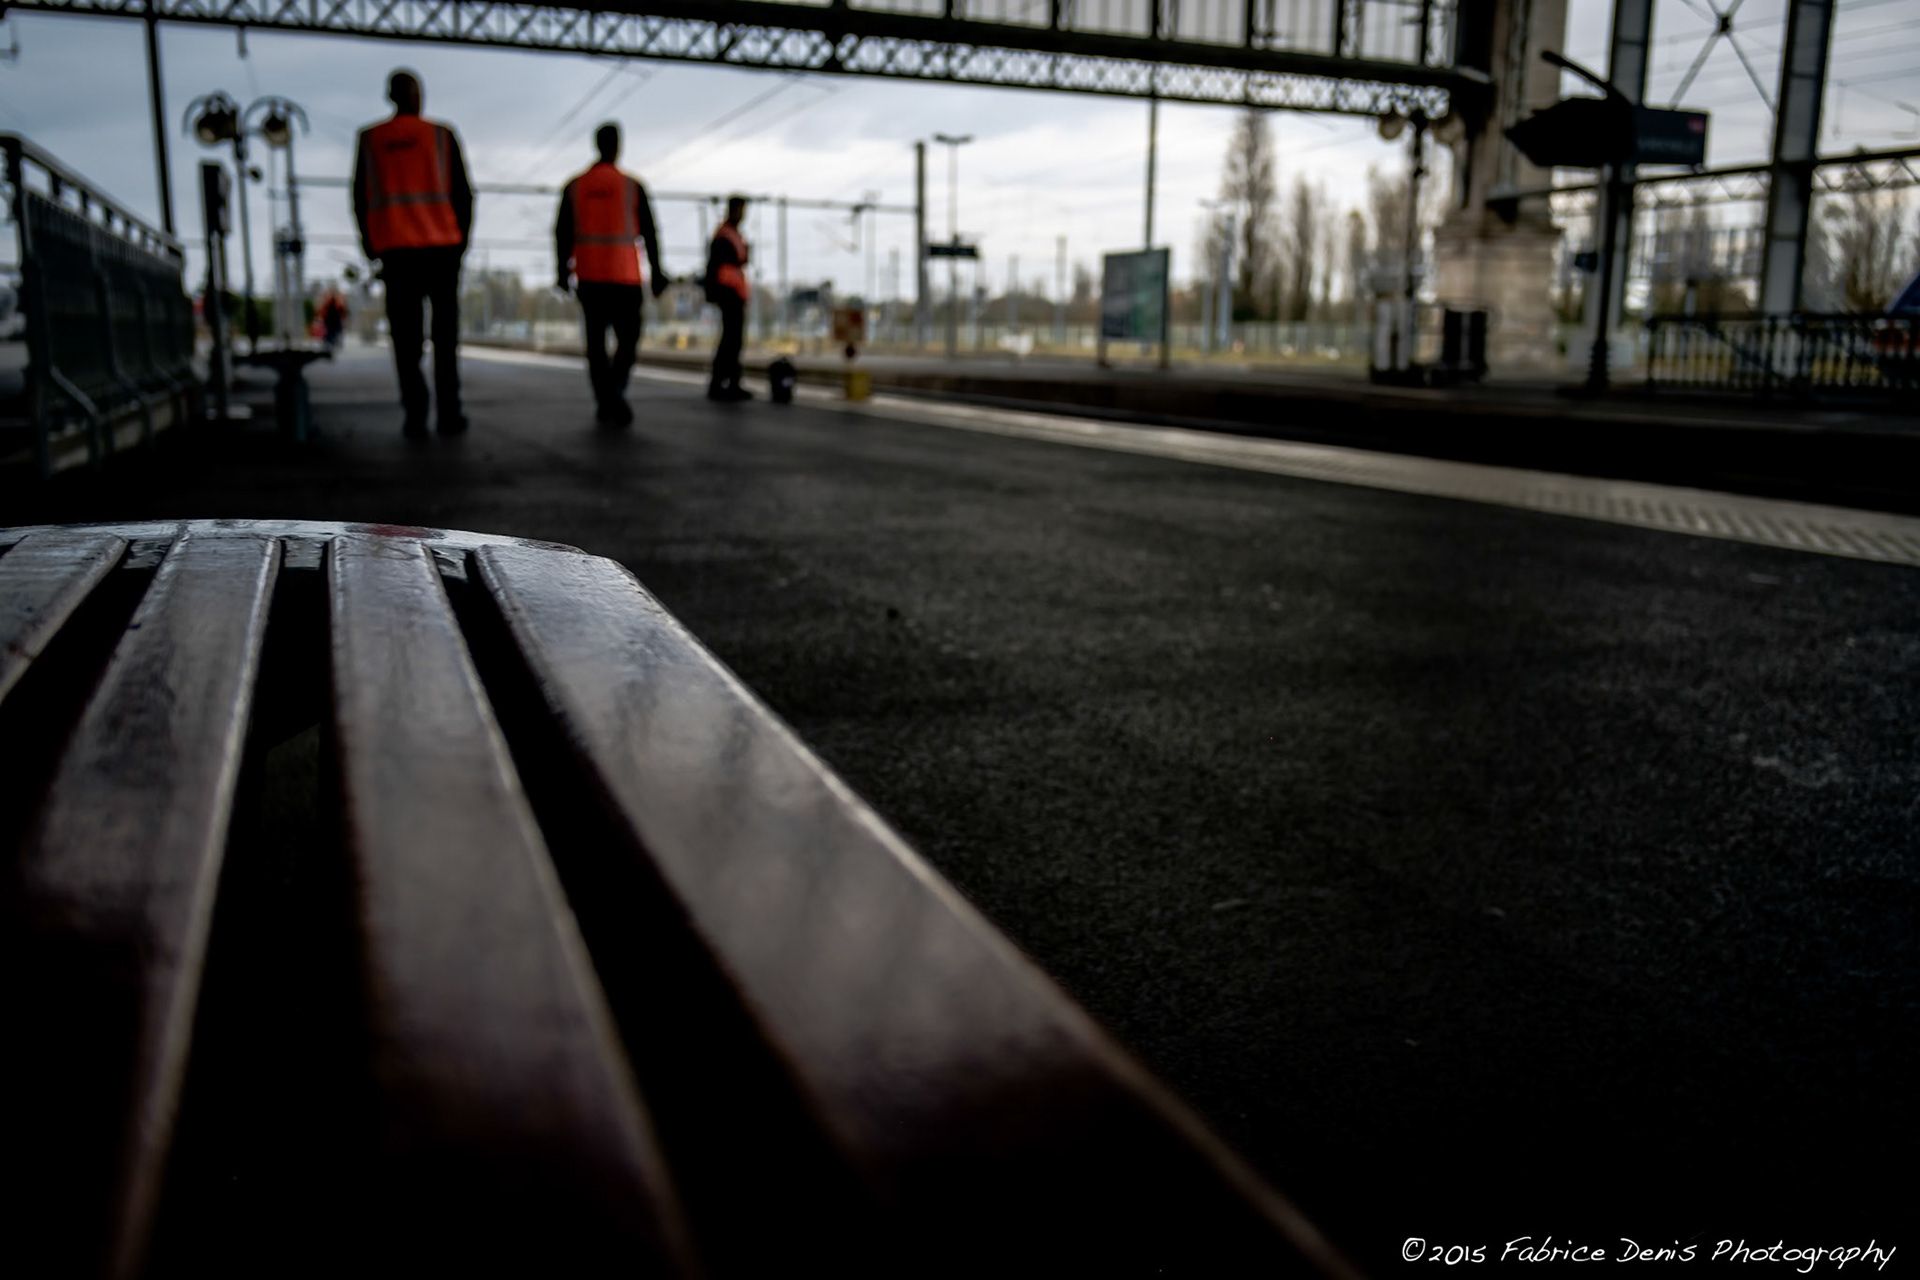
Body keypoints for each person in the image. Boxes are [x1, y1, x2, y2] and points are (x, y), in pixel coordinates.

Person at [353, 69, 473, 438]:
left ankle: (416, 412)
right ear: (416, 95)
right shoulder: (441, 135)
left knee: (406, 341)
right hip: (440, 251)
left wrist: (371, 244)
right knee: (445, 339)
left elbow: (359, 197)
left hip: (396, 252)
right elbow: (464, 194)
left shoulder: (371, 139)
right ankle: (449, 413)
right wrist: (460, 243)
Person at [555, 123, 668, 426]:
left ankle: (608, 398)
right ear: (618, 146)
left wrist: (562, 272)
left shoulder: (575, 186)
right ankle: (615, 391)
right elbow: (651, 233)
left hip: (590, 278)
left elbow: (562, 233)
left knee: (596, 346)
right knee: (628, 341)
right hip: (625, 278)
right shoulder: (632, 186)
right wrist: (657, 273)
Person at [704, 196, 752, 401]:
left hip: (734, 292)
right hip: (728, 292)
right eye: (740, 210)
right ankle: (723, 383)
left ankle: (729, 382)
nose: (742, 214)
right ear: (732, 210)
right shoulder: (725, 235)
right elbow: (719, 266)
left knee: (732, 339)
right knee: (731, 340)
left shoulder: (732, 234)